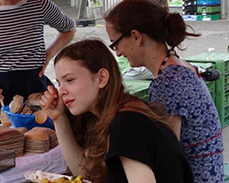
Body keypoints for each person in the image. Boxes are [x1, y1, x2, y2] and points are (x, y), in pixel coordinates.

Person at [104, 0, 223, 183]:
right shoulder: (179, 67)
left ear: (136, 36)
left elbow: (166, 156)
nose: (117, 52)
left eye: (115, 44)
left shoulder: (168, 83)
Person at [40, 39, 194, 183]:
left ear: (101, 78)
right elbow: (83, 173)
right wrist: (59, 118)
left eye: (69, 80)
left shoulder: (128, 123)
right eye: (59, 83)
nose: (61, 91)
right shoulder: (104, 116)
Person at [122, 0, 220, 82]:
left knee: (166, 66)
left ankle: (194, 69)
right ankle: (195, 69)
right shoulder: (142, 28)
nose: (117, 52)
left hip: (137, 70)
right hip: (130, 70)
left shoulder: (150, 28)